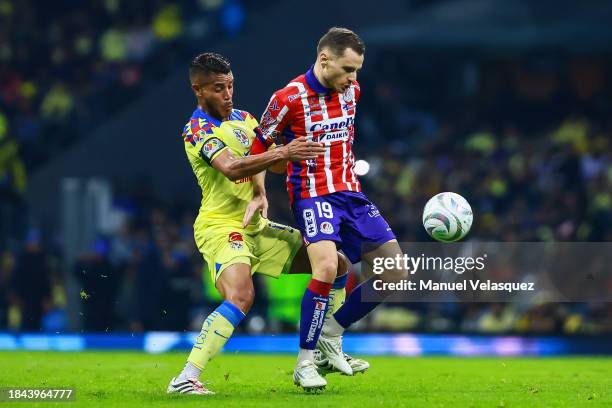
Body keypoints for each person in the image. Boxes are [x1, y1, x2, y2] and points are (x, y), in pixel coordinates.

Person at [167, 52, 349, 394]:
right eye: (218, 88)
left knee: (335, 264)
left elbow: (268, 163)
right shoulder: (197, 129)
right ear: (198, 90)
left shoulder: (246, 119)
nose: (227, 94)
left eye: (231, 86)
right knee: (241, 296)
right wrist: (282, 153)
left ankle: (326, 348)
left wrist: (261, 190)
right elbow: (232, 166)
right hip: (221, 226)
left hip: (256, 227)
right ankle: (185, 377)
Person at [250, 27, 407, 386]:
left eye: (357, 71)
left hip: (351, 194)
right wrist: (261, 192)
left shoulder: (352, 91)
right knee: (325, 267)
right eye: (348, 69)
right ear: (325, 59)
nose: (353, 78)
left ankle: (332, 334)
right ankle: (304, 363)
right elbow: (257, 150)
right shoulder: (287, 98)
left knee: (395, 272)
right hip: (312, 194)